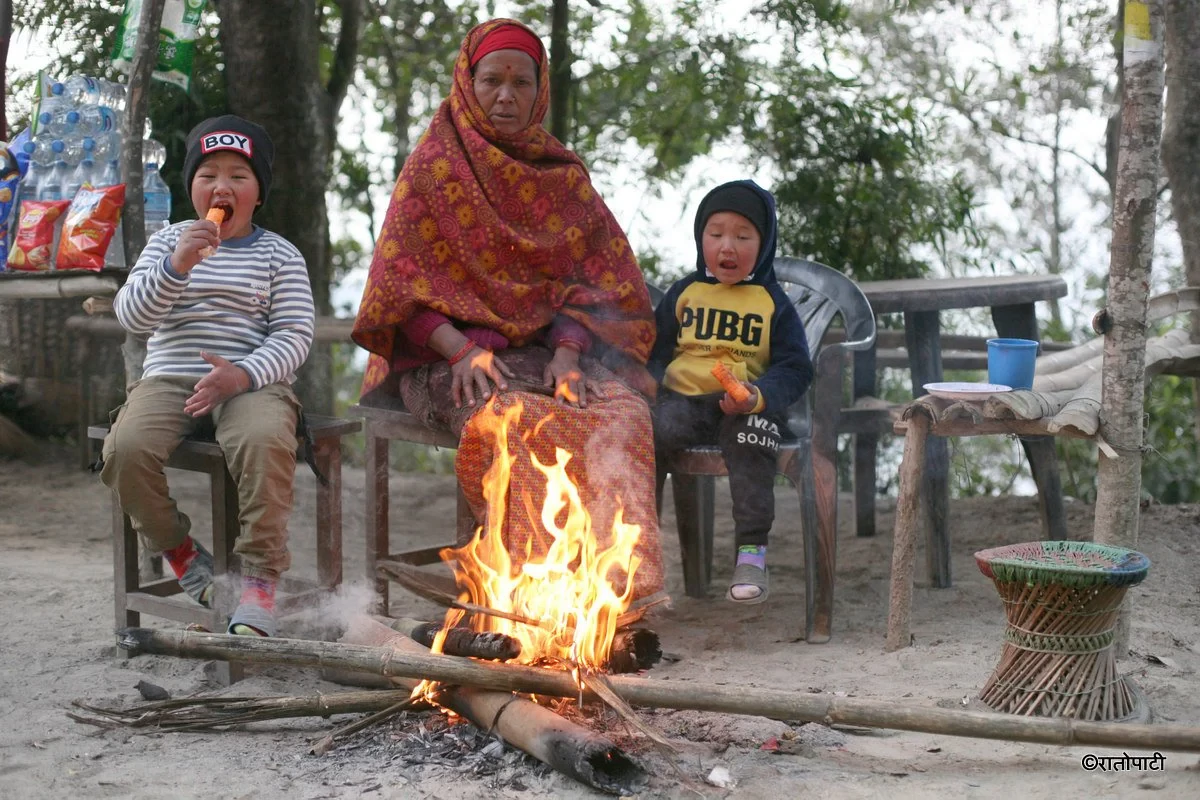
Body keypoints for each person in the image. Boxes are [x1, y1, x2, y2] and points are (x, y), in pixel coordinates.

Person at [353, 19, 666, 606]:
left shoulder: (562, 177)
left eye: (521, 83)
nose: (506, 95)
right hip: (445, 355)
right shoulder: (434, 169)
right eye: (492, 80)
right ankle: (532, 595)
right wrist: (459, 348)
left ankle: (618, 592)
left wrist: (571, 353)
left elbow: (597, 276)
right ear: (468, 82)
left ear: (539, 90)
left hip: (545, 355)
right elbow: (398, 291)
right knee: (515, 418)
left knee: (623, 411)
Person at [101, 115, 315, 637]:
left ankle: (259, 582)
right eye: (208, 174)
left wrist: (241, 375)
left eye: (238, 176)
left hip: (251, 383)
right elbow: (132, 317)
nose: (222, 186)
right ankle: (180, 553)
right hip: (171, 378)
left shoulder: (278, 254)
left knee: (264, 441)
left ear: (258, 193)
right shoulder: (165, 243)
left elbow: (294, 334)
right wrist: (177, 265)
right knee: (123, 450)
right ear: (192, 189)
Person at [648, 179, 813, 604]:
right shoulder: (686, 292)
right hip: (680, 403)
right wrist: (647, 382)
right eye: (715, 233)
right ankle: (636, 548)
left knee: (753, 437)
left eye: (743, 236)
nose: (728, 246)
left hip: (742, 405)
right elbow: (654, 349)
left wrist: (756, 396)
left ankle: (752, 553)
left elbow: (796, 367)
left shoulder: (772, 301)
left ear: (764, 243)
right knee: (641, 435)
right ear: (700, 237)